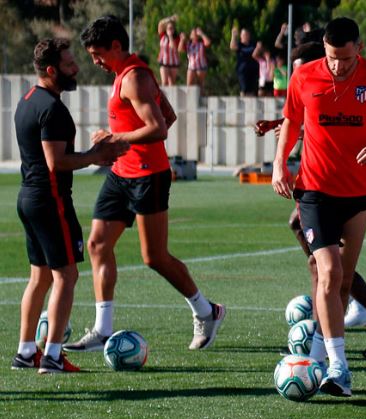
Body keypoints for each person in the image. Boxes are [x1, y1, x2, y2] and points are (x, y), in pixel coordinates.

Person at [64, 15, 226, 353]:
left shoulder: (135, 77)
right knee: (97, 245)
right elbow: (168, 113)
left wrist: (116, 137)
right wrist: (119, 144)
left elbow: (160, 128)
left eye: (99, 54)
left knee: (154, 257)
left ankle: (206, 311)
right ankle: (103, 330)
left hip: (148, 176)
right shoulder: (130, 72)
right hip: (121, 174)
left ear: (116, 46)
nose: (95, 62)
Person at [272, 17, 366, 397]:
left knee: (343, 282)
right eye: (333, 58)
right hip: (314, 191)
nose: (338, 66)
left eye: (346, 59)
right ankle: (340, 367)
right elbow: (290, 121)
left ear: (360, 48)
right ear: (325, 48)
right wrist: (278, 164)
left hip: (357, 194)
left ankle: (317, 355)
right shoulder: (304, 78)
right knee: (329, 271)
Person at [13, 38, 128, 374]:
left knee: (40, 277)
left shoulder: (28, 100)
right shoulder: (52, 109)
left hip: (29, 198)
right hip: (50, 201)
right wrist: (99, 156)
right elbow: (56, 162)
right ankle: (51, 355)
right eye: (68, 64)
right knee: (67, 275)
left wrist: (93, 153)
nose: (76, 67)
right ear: (52, 70)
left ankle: (25, 351)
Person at [179, 27, 211, 94]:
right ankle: (190, 99)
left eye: (196, 33)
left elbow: (208, 42)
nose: (194, 34)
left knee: (200, 85)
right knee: (189, 85)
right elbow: (180, 49)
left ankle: (201, 100)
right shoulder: (188, 44)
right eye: (193, 33)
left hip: (201, 67)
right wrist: (182, 40)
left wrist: (202, 34)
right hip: (191, 67)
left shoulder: (201, 44)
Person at [230, 26, 259, 97]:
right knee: (244, 89)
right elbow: (232, 47)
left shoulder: (253, 44)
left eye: (246, 34)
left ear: (249, 35)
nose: (245, 36)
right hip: (242, 70)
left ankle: (251, 106)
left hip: (253, 70)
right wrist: (233, 36)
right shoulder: (239, 45)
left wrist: (258, 48)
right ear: (241, 36)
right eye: (243, 35)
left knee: (252, 90)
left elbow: (258, 55)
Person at [157, 16, 181, 86]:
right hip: (164, 62)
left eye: (172, 28)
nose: (170, 30)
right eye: (169, 28)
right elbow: (160, 23)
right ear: (166, 29)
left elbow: (173, 47)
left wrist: (170, 36)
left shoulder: (176, 38)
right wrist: (170, 19)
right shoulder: (162, 35)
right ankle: (163, 97)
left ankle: (171, 97)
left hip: (173, 62)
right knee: (164, 82)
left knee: (172, 83)